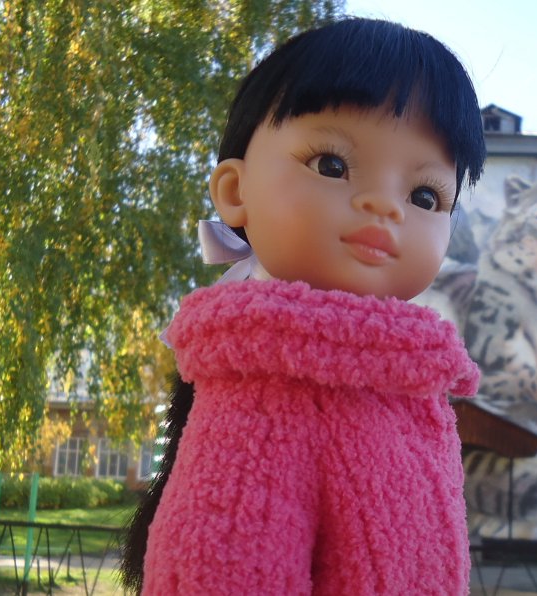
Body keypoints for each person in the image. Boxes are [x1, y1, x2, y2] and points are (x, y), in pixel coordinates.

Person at [120, 17, 486, 595]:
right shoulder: (265, 393)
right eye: (331, 165)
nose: (384, 206)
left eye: (424, 195)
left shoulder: (413, 389)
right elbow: (220, 571)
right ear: (235, 191)